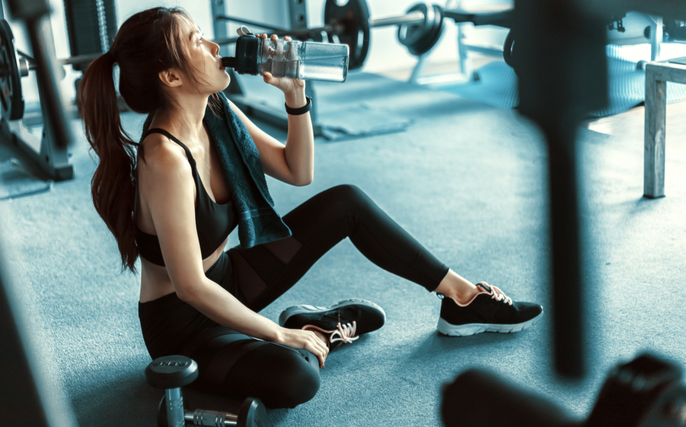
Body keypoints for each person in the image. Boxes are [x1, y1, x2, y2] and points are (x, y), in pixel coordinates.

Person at [79, 7, 543, 410]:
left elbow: (296, 171)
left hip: (230, 281)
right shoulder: (164, 159)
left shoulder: (215, 109)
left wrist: (294, 96)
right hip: (183, 324)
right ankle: (304, 327)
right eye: (195, 40)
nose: (214, 44)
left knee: (347, 202)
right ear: (171, 76)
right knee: (296, 377)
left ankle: (463, 298)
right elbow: (191, 287)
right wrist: (280, 336)